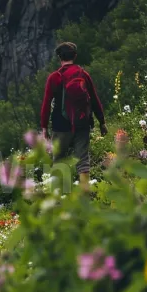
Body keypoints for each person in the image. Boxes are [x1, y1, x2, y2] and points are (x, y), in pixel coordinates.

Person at [40, 42, 108, 190]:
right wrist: (102, 121)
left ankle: (60, 196)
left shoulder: (54, 77)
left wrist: (44, 127)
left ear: (59, 57)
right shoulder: (84, 75)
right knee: (83, 160)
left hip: (61, 125)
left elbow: (46, 104)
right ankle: (85, 194)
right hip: (82, 123)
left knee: (59, 160)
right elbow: (95, 100)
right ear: (75, 56)